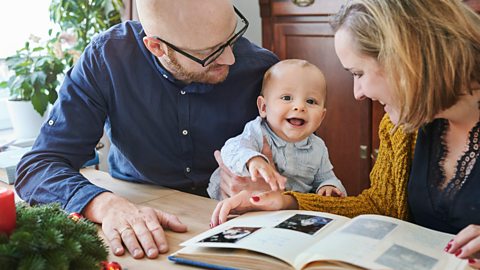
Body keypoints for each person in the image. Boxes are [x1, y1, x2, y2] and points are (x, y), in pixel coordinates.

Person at [210, 0, 480, 267]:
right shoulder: (400, 128)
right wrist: (287, 201)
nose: (358, 93)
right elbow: (381, 208)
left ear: (406, 59)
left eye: (358, 73)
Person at [14, 0, 278, 260]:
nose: (230, 57)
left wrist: (271, 184)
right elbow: (40, 165)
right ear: (156, 47)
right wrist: (104, 204)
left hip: (233, 226)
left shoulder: (264, 71)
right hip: (138, 222)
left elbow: (308, 173)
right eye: (209, 52)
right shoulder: (107, 58)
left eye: (231, 36)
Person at [207, 59, 346, 200]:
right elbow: (231, 149)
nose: (300, 107)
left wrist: (328, 186)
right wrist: (253, 160)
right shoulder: (258, 131)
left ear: (322, 116)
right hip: (234, 202)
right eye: (287, 98)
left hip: (287, 211)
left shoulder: (318, 148)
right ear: (263, 107)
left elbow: (326, 178)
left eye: (310, 101)